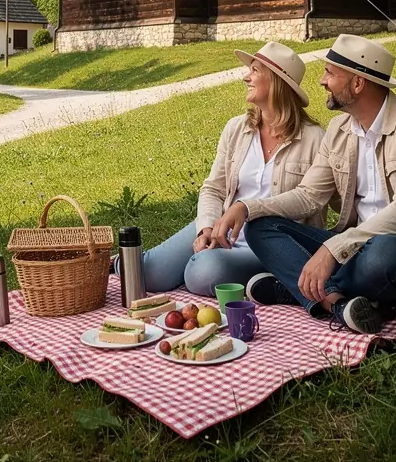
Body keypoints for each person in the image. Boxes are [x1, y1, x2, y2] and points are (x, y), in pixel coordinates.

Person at [211, 34, 396, 335]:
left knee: (383, 254)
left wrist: (332, 249)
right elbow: (310, 195)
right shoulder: (340, 129)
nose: (321, 82)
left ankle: (297, 289)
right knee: (261, 225)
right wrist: (246, 206)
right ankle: (336, 302)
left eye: (329, 73)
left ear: (357, 84)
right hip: (354, 250)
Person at [118, 42, 329, 298]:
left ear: (276, 81)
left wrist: (247, 210)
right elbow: (213, 188)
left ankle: (274, 277)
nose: (245, 77)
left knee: (202, 273)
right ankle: (110, 264)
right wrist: (206, 228)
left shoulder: (315, 138)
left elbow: (312, 200)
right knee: (145, 273)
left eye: (255, 70)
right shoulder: (237, 129)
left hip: (266, 245)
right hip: (220, 229)